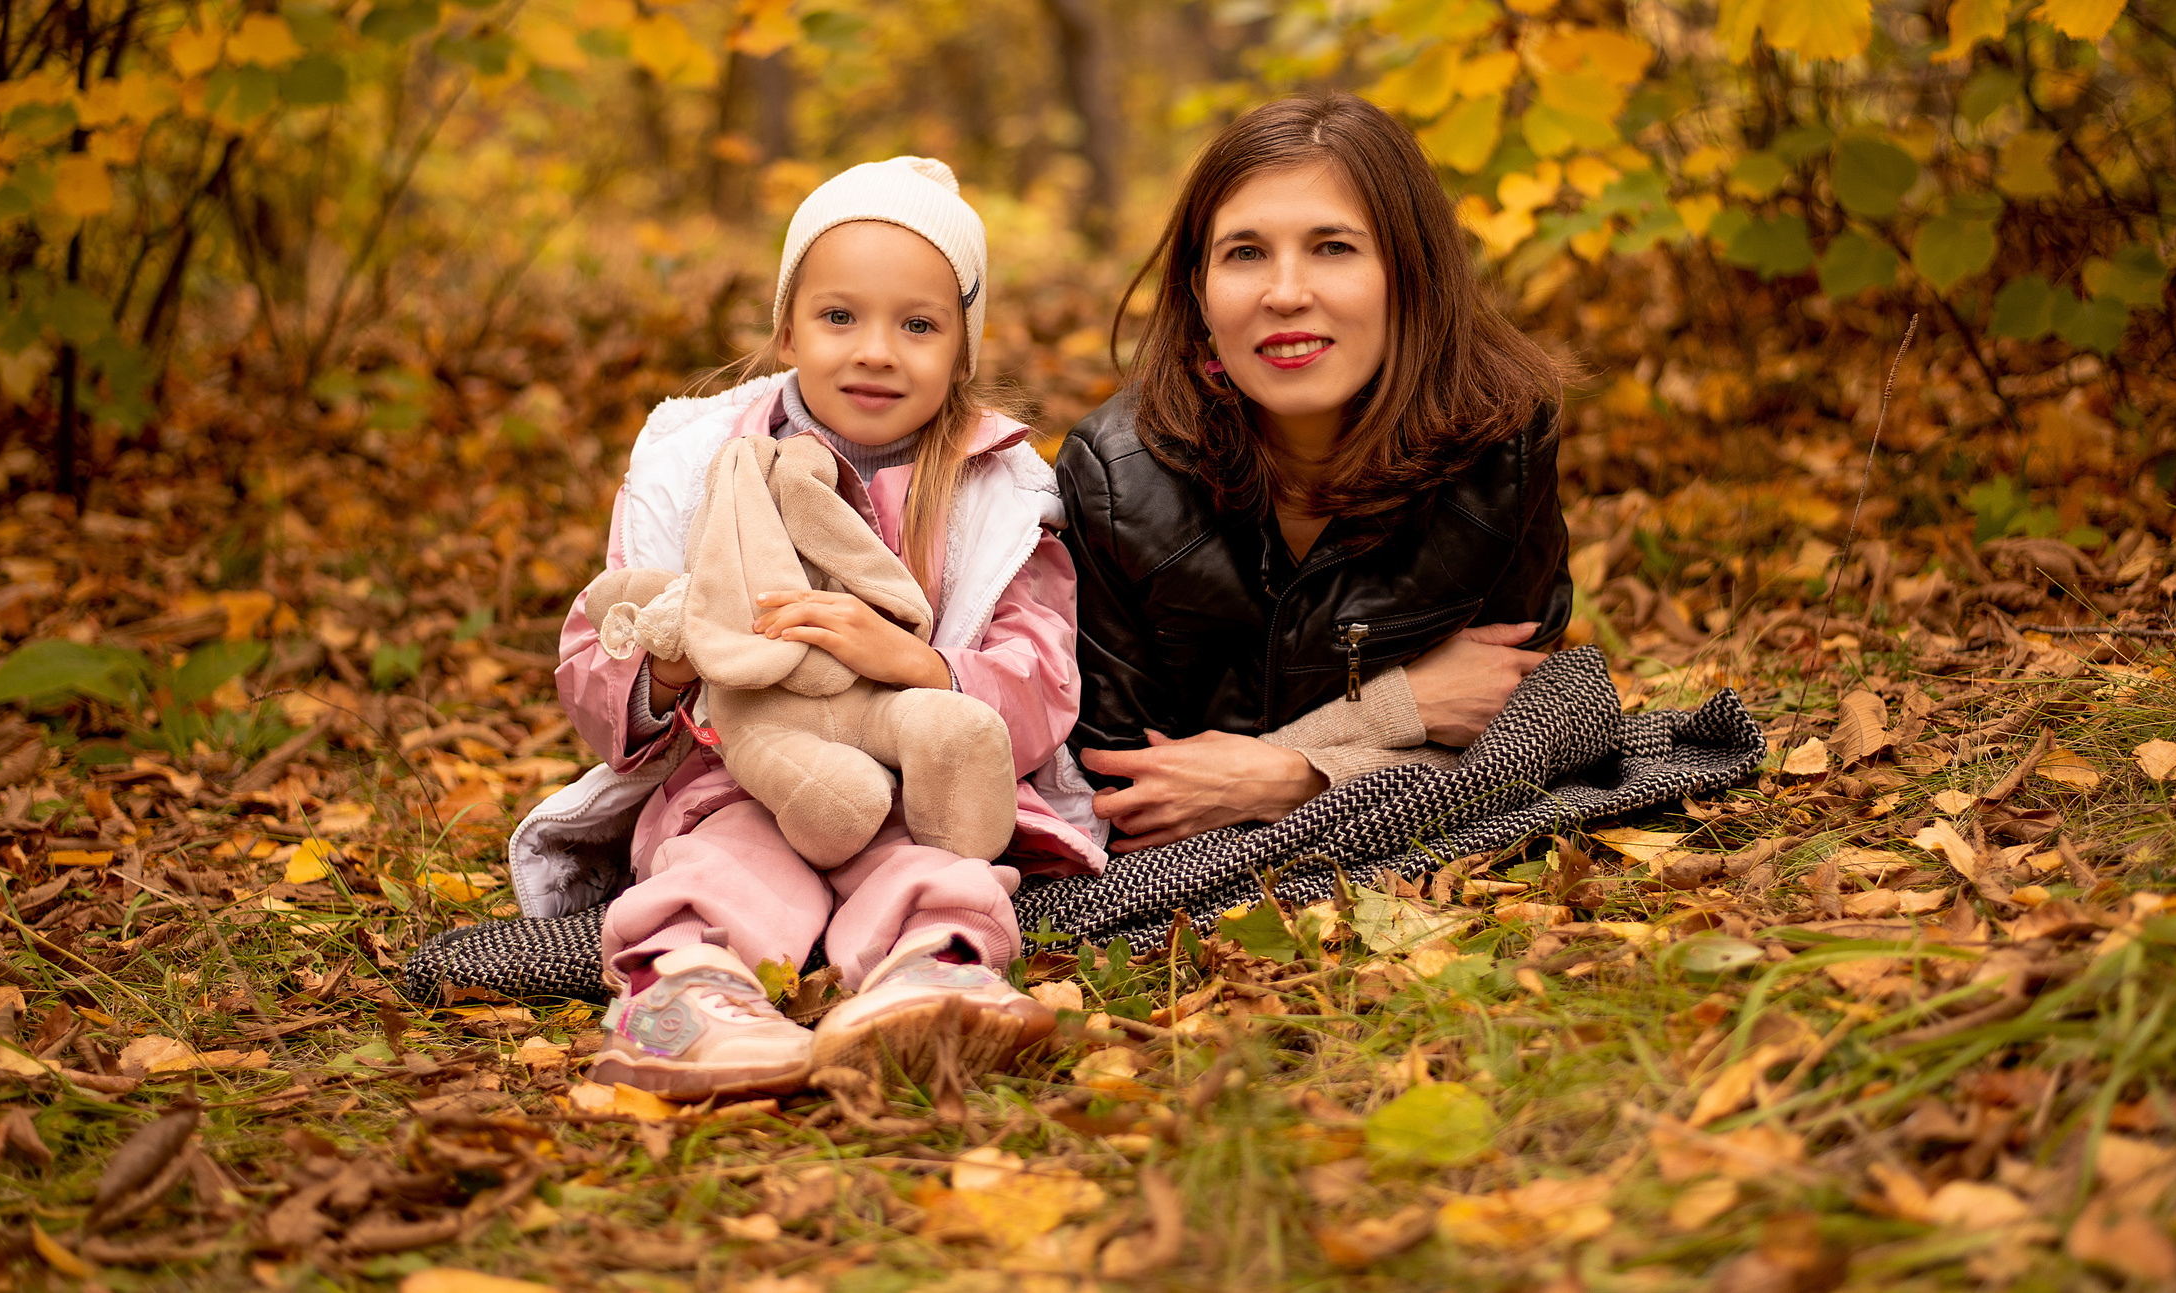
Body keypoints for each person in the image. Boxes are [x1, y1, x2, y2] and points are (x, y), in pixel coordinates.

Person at [554, 157, 1104, 1100]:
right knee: (722, 857)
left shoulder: (999, 491)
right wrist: (674, 663)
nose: (876, 351)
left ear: (964, 349)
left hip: (910, 773)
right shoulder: (696, 462)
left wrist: (925, 665)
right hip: (738, 767)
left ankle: (935, 973)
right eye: (840, 316)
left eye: (919, 324)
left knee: (928, 864)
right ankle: (687, 995)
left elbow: (1046, 668)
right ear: (787, 326)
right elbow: (597, 637)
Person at [1055, 94, 1577, 851]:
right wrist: (1397, 713)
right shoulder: (1115, 477)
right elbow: (1128, 795)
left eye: (1333, 246)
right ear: (1199, 292)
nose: (1287, 292)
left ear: (1410, 274)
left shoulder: (1501, 443)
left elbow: (1517, 732)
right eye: (1245, 252)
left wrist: (1284, 774)